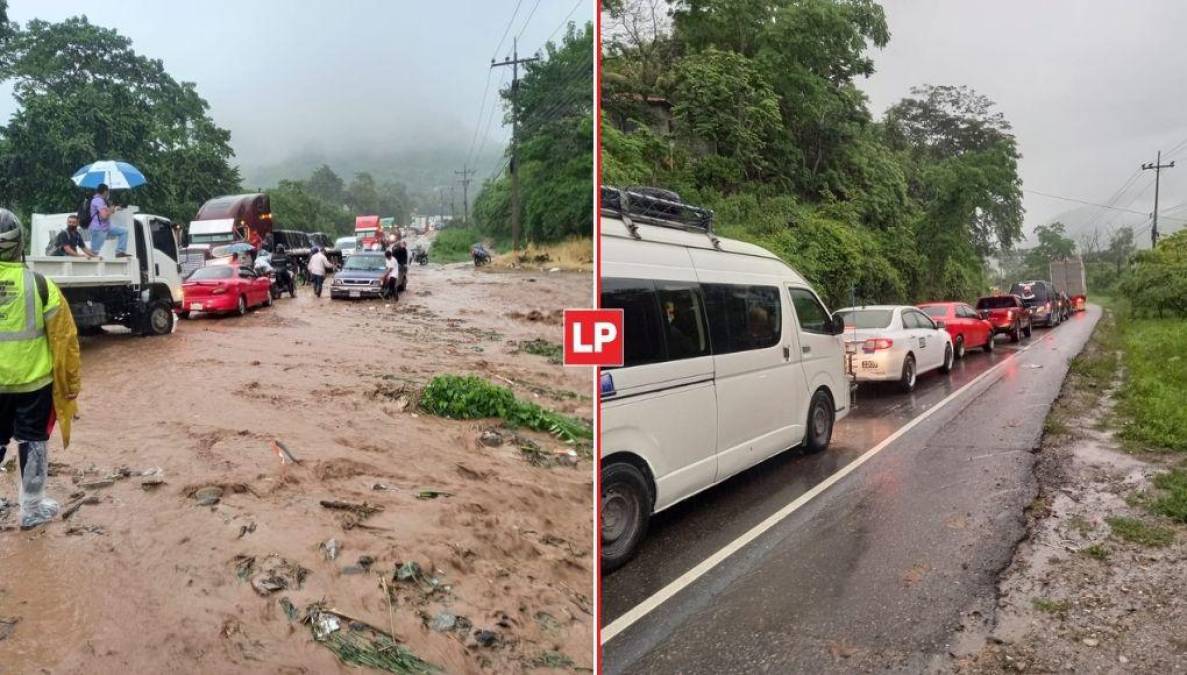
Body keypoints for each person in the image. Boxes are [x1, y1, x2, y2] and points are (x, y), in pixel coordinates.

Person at [0, 208, 82, 529]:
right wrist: (70, 387)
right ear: (20, 243)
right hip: (33, 386)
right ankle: (31, 510)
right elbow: (66, 343)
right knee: (32, 443)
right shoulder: (42, 286)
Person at [88, 183, 130, 258]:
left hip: (106, 226)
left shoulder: (101, 200)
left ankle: (120, 252)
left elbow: (104, 212)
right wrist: (110, 210)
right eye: (108, 192)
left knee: (124, 232)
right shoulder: (98, 201)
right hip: (99, 229)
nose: (108, 193)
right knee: (94, 253)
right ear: (105, 192)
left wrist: (115, 208)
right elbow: (104, 216)